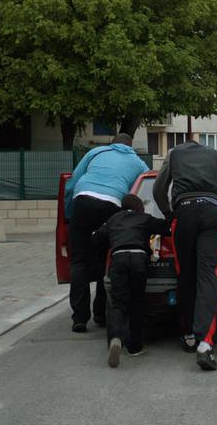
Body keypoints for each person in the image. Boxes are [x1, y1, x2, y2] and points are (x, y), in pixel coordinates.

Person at [153, 139, 217, 371]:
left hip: (184, 213)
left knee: (185, 275)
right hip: (213, 213)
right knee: (209, 275)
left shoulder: (173, 154)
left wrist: (169, 213)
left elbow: (158, 190)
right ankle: (205, 344)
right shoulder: (215, 155)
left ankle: (189, 334)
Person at [64, 133, 149, 333]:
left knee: (79, 261)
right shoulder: (139, 163)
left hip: (83, 201)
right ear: (130, 146)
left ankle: (79, 318)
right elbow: (142, 192)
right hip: (112, 205)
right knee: (106, 262)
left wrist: (69, 215)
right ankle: (101, 314)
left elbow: (72, 183)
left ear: (112, 143)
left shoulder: (95, 152)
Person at [92, 194, 170, 367]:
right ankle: (135, 347)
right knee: (137, 302)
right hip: (139, 259)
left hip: (118, 258)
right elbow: (167, 228)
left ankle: (116, 338)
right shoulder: (144, 218)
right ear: (139, 206)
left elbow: (97, 238)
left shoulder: (114, 219)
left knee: (118, 302)